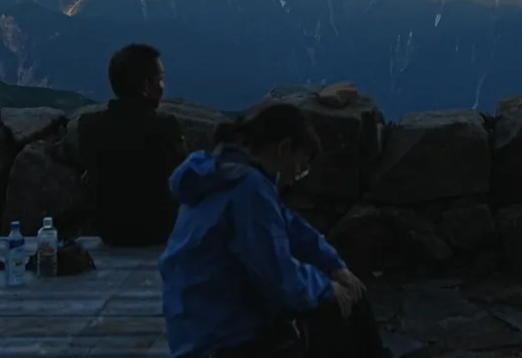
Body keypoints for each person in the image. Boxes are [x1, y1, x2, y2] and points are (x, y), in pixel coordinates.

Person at [160, 102, 382, 358]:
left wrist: (334, 265)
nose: (295, 177)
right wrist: (327, 286)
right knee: (336, 308)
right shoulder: (249, 191)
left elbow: (290, 226)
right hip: (222, 341)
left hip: (194, 331)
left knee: (339, 296)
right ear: (284, 149)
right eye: (302, 165)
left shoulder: (219, 174)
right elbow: (282, 282)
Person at [79, 42, 189, 246]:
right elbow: (183, 179)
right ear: (146, 87)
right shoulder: (165, 127)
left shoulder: (89, 125)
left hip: (109, 232)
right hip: (159, 231)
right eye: (160, 79)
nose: (163, 86)